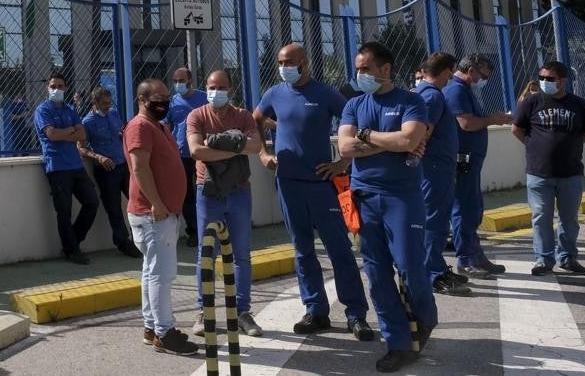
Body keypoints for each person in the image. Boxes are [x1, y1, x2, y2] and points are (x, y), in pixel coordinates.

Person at [254, 44, 375, 340]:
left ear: (304, 62)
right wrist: (263, 152)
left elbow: (354, 123)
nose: (284, 67)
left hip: (322, 185)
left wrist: (343, 161)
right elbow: (255, 119)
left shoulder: (325, 94)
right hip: (288, 184)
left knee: (339, 250)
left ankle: (356, 314)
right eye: (281, 62)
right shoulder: (275, 94)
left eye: (290, 62)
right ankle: (316, 310)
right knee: (303, 250)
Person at [337, 41, 437, 374]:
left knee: (410, 266)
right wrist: (388, 141)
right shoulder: (353, 104)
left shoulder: (411, 101)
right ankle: (396, 343)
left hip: (402, 198)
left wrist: (368, 136)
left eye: (365, 68)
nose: (360, 74)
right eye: (358, 68)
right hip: (365, 198)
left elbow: (408, 141)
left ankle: (425, 318)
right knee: (377, 274)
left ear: (385, 69)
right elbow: (346, 147)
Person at [186, 69, 264, 337]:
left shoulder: (242, 115)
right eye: (210, 86)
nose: (215, 91)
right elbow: (196, 150)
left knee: (241, 255)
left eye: (220, 87)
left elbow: (255, 146)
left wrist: (215, 144)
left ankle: (242, 311)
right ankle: (204, 311)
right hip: (208, 192)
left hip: (239, 191)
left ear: (230, 89)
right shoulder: (196, 115)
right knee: (206, 253)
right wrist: (234, 144)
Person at [125, 78, 198, 356]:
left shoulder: (159, 126)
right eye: (159, 98)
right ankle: (164, 333)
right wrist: (156, 203)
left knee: (151, 272)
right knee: (161, 275)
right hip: (152, 214)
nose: (165, 102)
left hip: (162, 213)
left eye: (166, 97)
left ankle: (151, 326)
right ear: (143, 101)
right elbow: (140, 168)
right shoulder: (140, 127)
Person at [512, 61, 585, 276]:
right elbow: (517, 129)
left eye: (550, 79)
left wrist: (568, 147)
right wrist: (536, 148)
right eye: (542, 78)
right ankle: (543, 259)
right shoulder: (531, 102)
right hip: (539, 173)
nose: (544, 82)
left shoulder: (579, 104)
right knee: (541, 216)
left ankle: (567, 258)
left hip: (571, 173)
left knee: (569, 219)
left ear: (563, 81)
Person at [444, 53, 512, 279]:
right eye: (483, 75)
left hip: (470, 161)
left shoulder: (465, 89)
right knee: (464, 210)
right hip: (462, 161)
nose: (484, 80)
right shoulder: (456, 90)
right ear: (471, 70)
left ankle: (476, 256)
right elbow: (467, 123)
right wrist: (494, 119)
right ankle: (465, 260)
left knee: (473, 209)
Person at [413, 52, 470, 296]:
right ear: (446, 72)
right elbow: (422, 133)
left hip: (435, 167)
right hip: (433, 169)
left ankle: (435, 267)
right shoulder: (432, 96)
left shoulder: (422, 93)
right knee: (434, 221)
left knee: (435, 219)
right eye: (450, 73)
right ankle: (432, 273)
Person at [34, 72, 100, 264]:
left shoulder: (70, 109)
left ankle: (74, 240)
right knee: (64, 211)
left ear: (66, 88)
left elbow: (82, 135)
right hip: (57, 166)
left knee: (91, 202)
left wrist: (67, 133)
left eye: (60, 86)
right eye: (53, 86)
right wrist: (69, 131)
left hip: (76, 165)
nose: (56, 89)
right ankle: (71, 250)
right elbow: (51, 134)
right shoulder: (42, 110)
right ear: (47, 87)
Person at [80, 86, 140, 258]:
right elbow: (82, 148)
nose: (107, 106)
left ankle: (140, 238)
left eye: (109, 102)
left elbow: (121, 134)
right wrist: (99, 157)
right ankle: (123, 242)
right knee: (114, 208)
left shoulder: (113, 114)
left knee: (137, 200)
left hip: (124, 165)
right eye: (104, 103)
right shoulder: (87, 122)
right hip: (107, 170)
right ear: (94, 103)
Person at [167, 66, 207, 246]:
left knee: (206, 191)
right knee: (186, 195)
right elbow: (166, 124)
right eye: (175, 81)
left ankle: (209, 228)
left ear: (190, 80)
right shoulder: (173, 101)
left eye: (181, 81)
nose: (178, 84)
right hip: (180, 155)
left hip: (201, 153)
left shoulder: (203, 98)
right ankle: (193, 232)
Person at [0, 91, 31, 156]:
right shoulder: (10, 104)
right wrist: (22, 115)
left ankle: (25, 155)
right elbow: (11, 117)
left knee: (25, 144)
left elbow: (28, 113)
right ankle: (13, 155)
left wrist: (20, 116)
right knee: (14, 144)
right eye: (19, 95)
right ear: (15, 95)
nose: (20, 97)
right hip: (13, 128)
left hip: (22, 127)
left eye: (21, 95)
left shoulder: (23, 103)